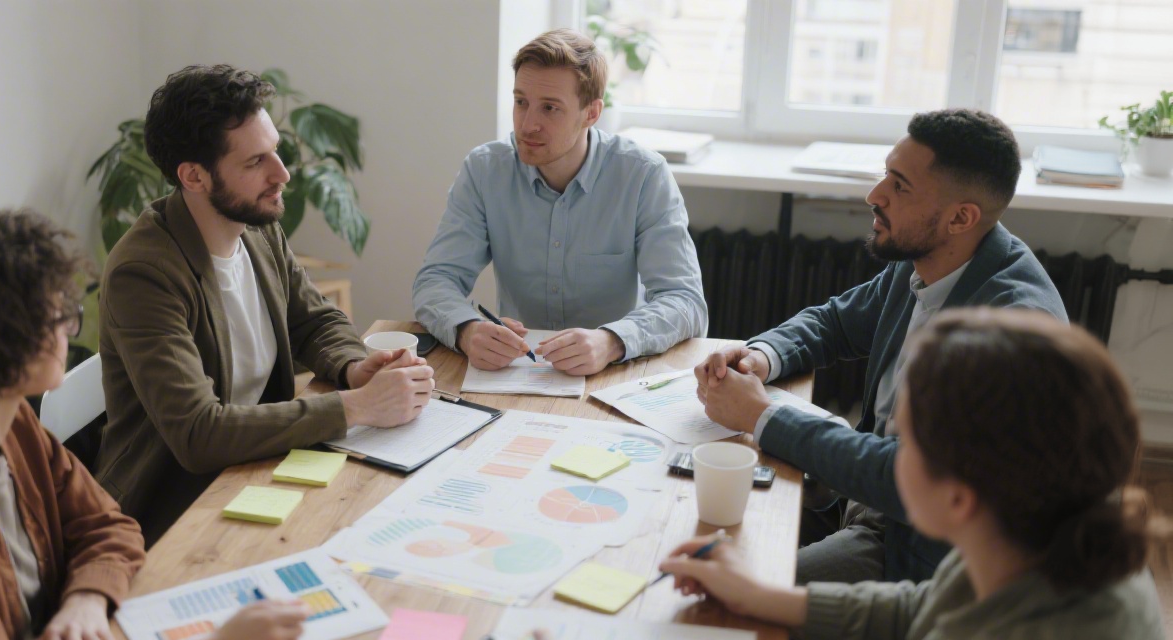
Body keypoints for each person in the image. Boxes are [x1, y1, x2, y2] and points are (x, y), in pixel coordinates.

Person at [507, 308, 1173, 640]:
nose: (886, 449)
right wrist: (766, 595)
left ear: (958, 497)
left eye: (902, 439)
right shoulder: (1052, 535)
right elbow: (923, 614)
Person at [0, 211, 311, 640]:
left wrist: (86, 600)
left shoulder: (11, 423)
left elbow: (108, 524)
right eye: (55, 314)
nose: (69, 326)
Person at [696, 109, 1067, 586]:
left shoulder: (1013, 333)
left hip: (921, 551)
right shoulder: (928, 258)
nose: (874, 195)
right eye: (885, 174)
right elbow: (835, 322)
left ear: (960, 217)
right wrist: (761, 357)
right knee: (694, 520)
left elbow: (912, 480)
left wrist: (761, 416)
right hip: (861, 498)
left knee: (732, 593)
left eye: (900, 185)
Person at [98, 65, 434, 544]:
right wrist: (356, 406)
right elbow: (198, 433)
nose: (283, 174)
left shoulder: (256, 228)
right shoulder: (145, 273)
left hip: (256, 471)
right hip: (176, 507)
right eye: (256, 162)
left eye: (275, 150)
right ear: (194, 176)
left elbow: (314, 321)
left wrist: (354, 367)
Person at [412, 29, 707, 376]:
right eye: (521, 102)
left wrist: (612, 341)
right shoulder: (485, 170)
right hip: (516, 373)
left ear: (591, 113)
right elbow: (436, 280)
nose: (527, 125)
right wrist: (467, 329)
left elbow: (685, 301)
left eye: (550, 108)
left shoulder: (643, 175)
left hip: (614, 373)